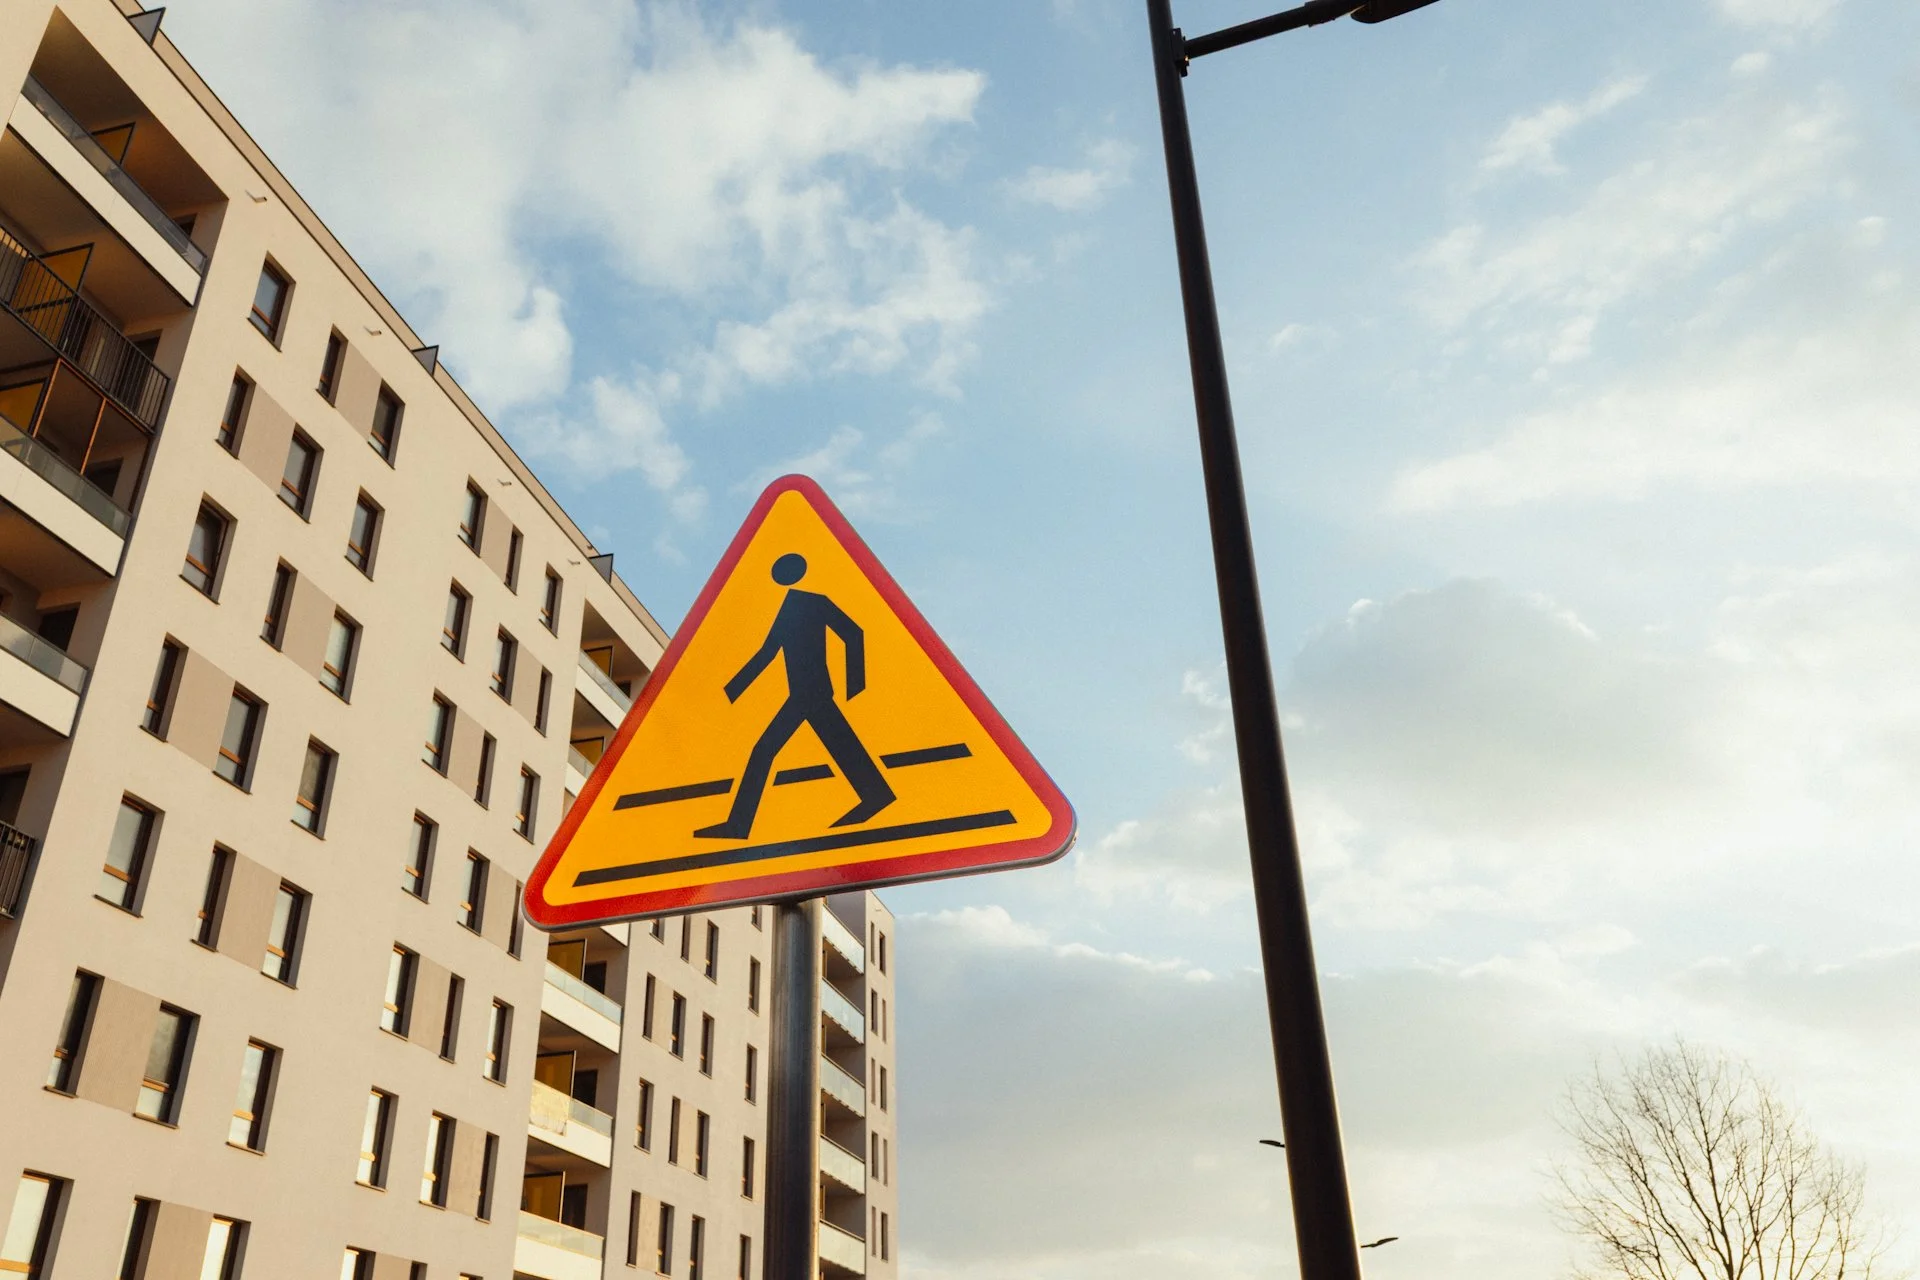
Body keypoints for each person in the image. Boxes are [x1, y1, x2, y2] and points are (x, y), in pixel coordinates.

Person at [694, 553, 895, 839]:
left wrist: (856, 684)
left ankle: (738, 825)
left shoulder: (813, 602)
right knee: (837, 745)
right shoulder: (788, 609)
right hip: (803, 693)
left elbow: (853, 632)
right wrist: (732, 689)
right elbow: (768, 653)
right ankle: (876, 794)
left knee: (766, 750)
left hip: (813, 691)